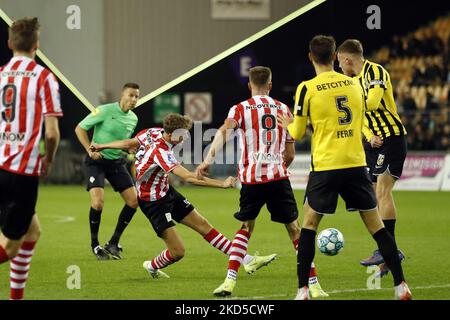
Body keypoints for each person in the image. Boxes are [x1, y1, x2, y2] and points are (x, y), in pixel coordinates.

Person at [279, 35, 411, 300]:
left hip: (327, 166)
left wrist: (287, 124)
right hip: (356, 164)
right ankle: (401, 286)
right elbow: (364, 117)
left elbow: (300, 132)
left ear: (310, 57)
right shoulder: (354, 85)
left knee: (309, 224)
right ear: (333, 57)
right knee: (377, 226)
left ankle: (303, 290)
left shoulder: (307, 88)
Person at [90, 113, 277, 278]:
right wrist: (221, 184)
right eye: (183, 134)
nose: (186, 136)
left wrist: (101, 145)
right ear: (171, 135)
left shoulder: (153, 132)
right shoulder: (161, 152)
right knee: (178, 252)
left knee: (204, 225)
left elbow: (128, 143)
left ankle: (247, 260)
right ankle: (152, 266)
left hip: (166, 192)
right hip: (153, 203)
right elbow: (188, 178)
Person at [196, 66, 328, 298]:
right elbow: (290, 154)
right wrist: (277, 168)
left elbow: (224, 131)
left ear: (249, 85)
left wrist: (208, 159)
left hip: (250, 180)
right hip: (277, 178)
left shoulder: (239, 109)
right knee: (295, 230)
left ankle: (229, 282)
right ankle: (314, 284)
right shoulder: (282, 109)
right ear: (270, 85)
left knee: (245, 227)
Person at [0, 17, 62, 300]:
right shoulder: (44, 77)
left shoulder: (0, 74)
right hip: (21, 172)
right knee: (11, 246)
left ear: (10, 43)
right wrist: (48, 159)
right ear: (36, 45)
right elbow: (51, 133)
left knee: (33, 231)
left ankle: (16, 296)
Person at [337, 39, 407, 276]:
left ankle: (387, 250)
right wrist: (368, 136)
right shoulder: (352, 81)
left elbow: (374, 101)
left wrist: (349, 105)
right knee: (374, 196)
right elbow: (361, 120)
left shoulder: (375, 71)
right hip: (374, 143)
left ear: (347, 59)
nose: (339, 66)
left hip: (393, 137)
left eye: (339, 61)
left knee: (382, 192)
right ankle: (388, 251)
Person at [75, 83, 140, 260]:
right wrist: (89, 150)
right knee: (98, 203)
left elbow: (122, 142)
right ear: (122, 94)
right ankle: (95, 245)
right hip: (96, 162)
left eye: (136, 96)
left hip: (116, 163)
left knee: (134, 201)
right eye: (131, 95)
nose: (134, 99)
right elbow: (80, 128)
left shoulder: (133, 118)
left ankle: (113, 242)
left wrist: (128, 150)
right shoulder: (104, 110)